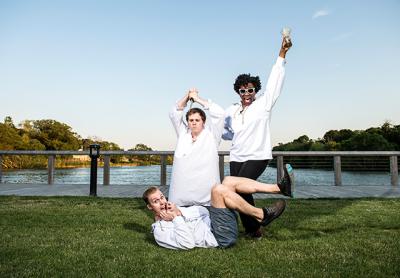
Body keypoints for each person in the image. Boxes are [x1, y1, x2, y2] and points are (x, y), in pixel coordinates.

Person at [222, 37, 293, 238]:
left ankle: (260, 220)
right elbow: (226, 132)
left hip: (257, 155)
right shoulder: (232, 111)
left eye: (250, 90)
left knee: (240, 187)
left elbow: (274, 83)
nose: (246, 93)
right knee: (240, 192)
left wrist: (282, 54)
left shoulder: (263, 104)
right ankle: (254, 230)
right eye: (243, 90)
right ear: (238, 91)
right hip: (237, 156)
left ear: (256, 91)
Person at [143, 171, 293, 250]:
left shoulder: (175, 209)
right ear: (150, 207)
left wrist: (181, 212)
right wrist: (176, 218)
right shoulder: (160, 231)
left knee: (228, 181)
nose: (162, 202)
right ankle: (260, 215)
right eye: (156, 201)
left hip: (218, 222)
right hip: (219, 236)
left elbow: (203, 211)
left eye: (162, 197)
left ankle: (279, 188)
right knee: (217, 190)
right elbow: (187, 244)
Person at [168, 89, 225, 206]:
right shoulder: (183, 133)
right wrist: (188, 96)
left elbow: (220, 114)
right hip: (181, 194)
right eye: (191, 120)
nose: (194, 123)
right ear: (187, 122)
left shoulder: (212, 135)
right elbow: (174, 112)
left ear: (203, 121)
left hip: (206, 195)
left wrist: (197, 99)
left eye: (197, 120)